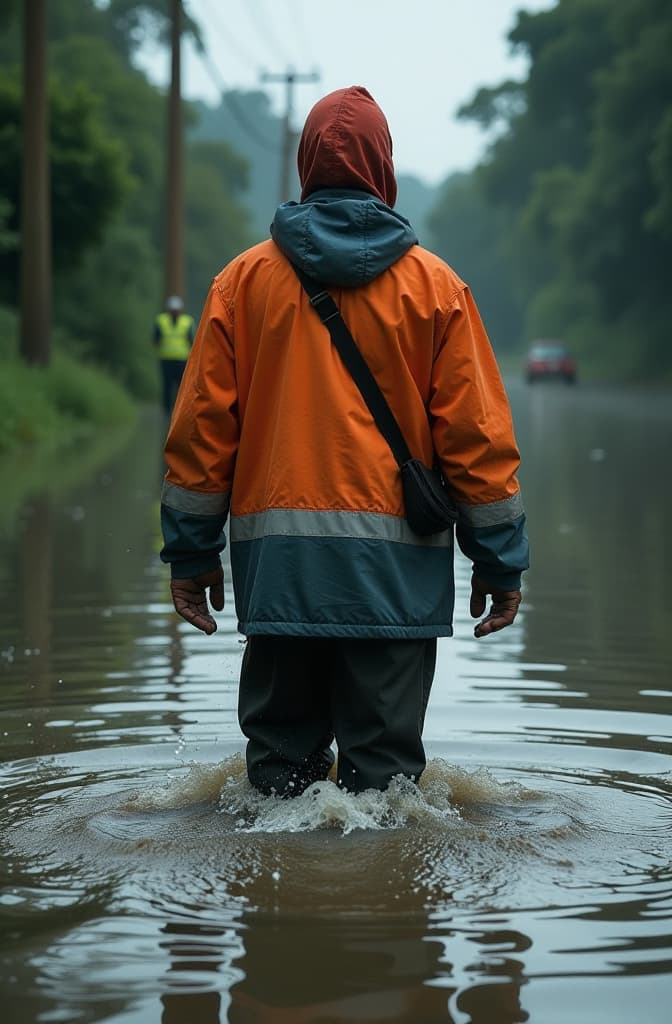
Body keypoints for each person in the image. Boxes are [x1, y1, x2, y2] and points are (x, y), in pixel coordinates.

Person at [159, 86, 529, 797]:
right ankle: (381, 902)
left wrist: (190, 553)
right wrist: (499, 564)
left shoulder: (242, 283)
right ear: (383, 169)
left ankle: (275, 906)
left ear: (305, 165)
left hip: (280, 579)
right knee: (386, 796)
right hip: (394, 587)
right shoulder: (436, 289)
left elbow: (202, 433)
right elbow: (477, 441)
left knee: (276, 787)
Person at [153, 295, 195, 415]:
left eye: (176, 310)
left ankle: (180, 410)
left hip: (182, 360)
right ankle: (166, 411)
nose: (174, 312)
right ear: (169, 310)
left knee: (181, 387)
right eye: (173, 310)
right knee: (167, 386)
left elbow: (191, 341)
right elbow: (155, 339)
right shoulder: (161, 321)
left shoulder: (187, 322)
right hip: (166, 359)